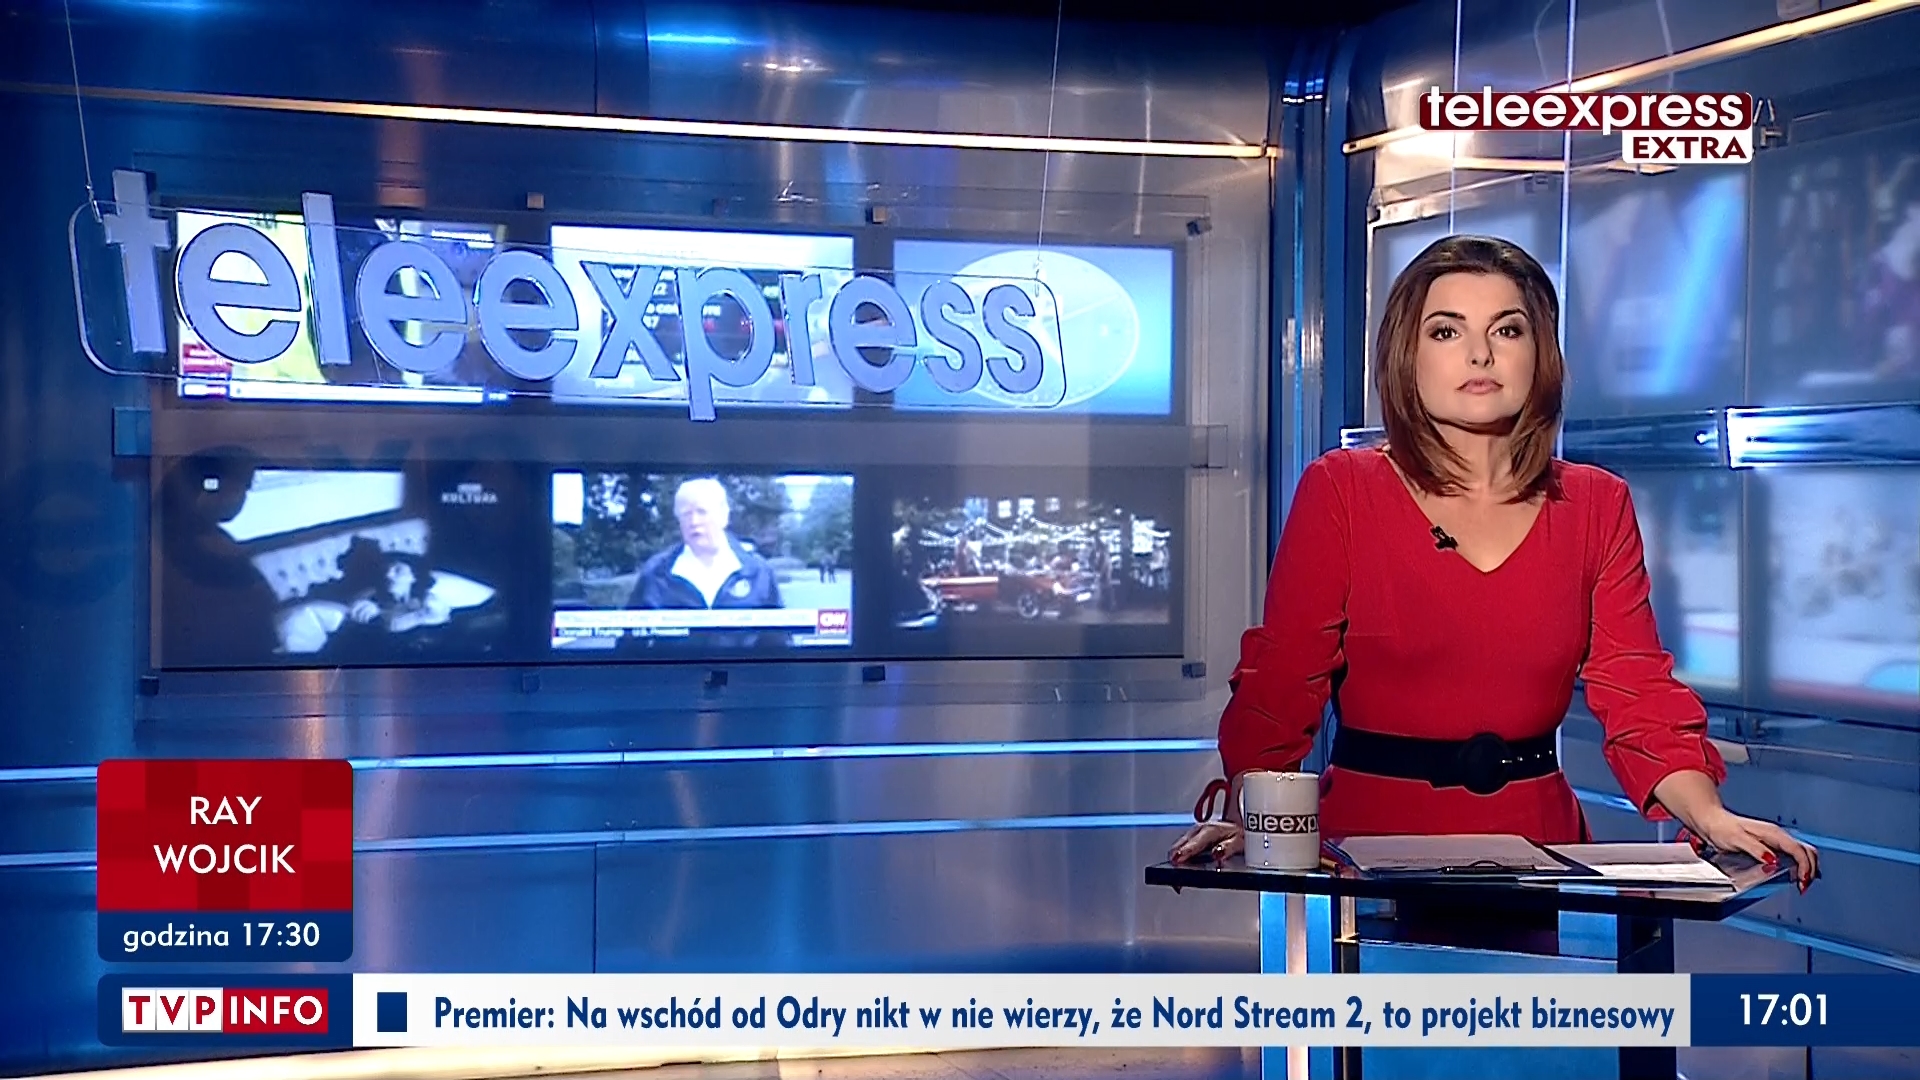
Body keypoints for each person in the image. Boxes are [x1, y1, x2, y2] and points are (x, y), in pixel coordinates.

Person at [1170, 236, 1817, 891]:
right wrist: (1253, 818)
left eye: (1507, 329)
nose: (1480, 354)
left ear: (1541, 354)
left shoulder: (1596, 504)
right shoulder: (1342, 490)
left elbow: (1639, 693)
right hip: (1364, 858)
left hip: (1542, 855)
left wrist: (1708, 815)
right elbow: (1282, 684)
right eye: (1446, 331)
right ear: (1406, 356)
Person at [628, 477, 782, 613]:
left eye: (702, 512)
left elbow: (779, 634)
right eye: (686, 514)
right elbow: (631, 634)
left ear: (723, 516)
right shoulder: (656, 573)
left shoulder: (758, 572)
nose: (694, 522)